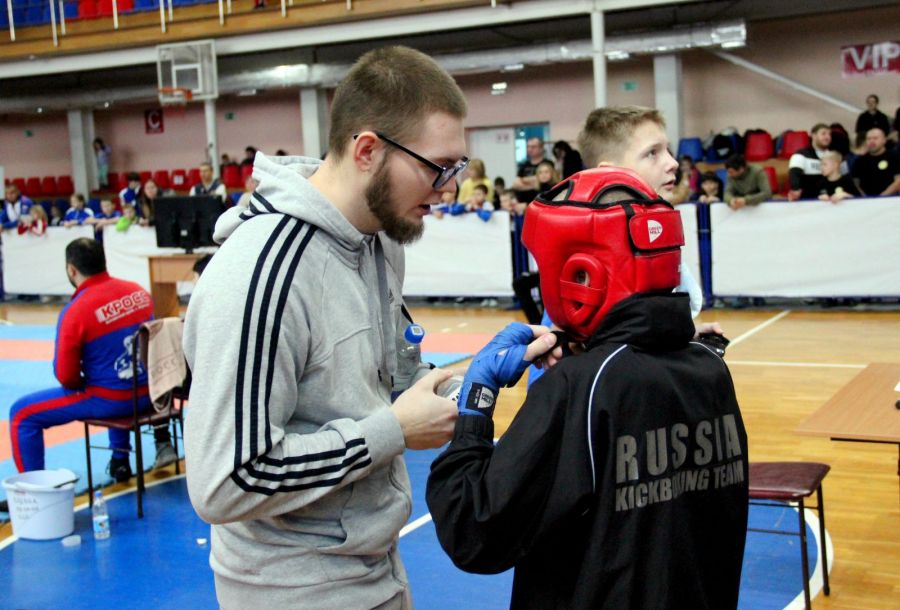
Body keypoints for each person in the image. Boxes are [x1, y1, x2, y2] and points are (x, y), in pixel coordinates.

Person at [182, 45, 466, 609]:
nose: (450, 189)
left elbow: (385, 384)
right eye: (438, 168)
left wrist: (484, 379)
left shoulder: (379, 241)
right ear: (367, 150)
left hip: (372, 563)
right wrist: (392, 432)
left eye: (458, 169)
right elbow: (225, 480)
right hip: (293, 589)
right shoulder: (263, 272)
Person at [427, 167, 748, 610]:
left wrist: (476, 400)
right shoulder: (710, 368)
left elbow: (474, 530)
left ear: (581, 272)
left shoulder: (580, 386)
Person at [6, 238, 177, 480]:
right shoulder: (138, 292)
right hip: (153, 392)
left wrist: (86, 383)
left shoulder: (76, 311)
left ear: (71, 270)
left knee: (22, 414)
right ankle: (119, 460)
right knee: (109, 371)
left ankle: (32, 490)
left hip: (115, 400)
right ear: (103, 261)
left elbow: (66, 377)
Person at [788, 123, 840, 201]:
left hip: (832, 200)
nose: (827, 137)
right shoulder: (800, 155)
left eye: (829, 134)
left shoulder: (835, 156)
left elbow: (844, 178)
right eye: (823, 134)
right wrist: (795, 190)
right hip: (808, 201)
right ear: (813, 135)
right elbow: (794, 176)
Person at [851, 127, 900, 197]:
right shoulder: (859, 161)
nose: (871, 141)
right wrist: (866, 198)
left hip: (891, 201)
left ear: (884, 140)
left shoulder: (895, 157)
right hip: (867, 202)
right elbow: (855, 184)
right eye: (868, 139)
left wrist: (881, 197)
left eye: (875, 138)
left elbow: (898, 182)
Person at [511, 137, 552, 203]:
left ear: (541, 148)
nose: (529, 149)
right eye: (528, 147)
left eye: (533, 147)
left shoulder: (548, 163)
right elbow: (515, 184)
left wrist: (524, 180)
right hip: (523, 204)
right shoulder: (524, 165)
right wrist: (535, 184)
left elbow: (546, 182)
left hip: (541, 203)